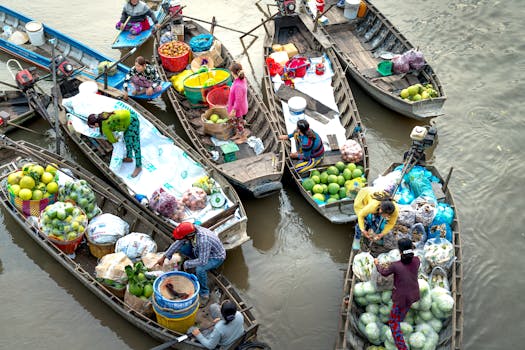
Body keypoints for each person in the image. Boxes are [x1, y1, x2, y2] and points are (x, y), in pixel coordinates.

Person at [156, 222, 226, 307]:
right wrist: (164, 257)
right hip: (200, 251)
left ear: (189, 236)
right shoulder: (191, 231)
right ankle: (193, 262)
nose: (182, 239)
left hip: (216, 257)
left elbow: (203, 261)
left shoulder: (203, 240)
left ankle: (204, 294)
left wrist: (187, 264)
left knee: (200, 269)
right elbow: (177, 243)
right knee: (182, 248)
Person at [374, 238, 420, 350]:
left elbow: (384, 273)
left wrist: (377, 264)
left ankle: (402, 347)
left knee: (393, 322)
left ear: (400, 252)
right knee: (405, 308)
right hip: (414, 294)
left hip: (401, 297)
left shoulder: (395, 265)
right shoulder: (417, 260)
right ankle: (401, 317)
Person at [87, 109, 142, 178]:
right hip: (127, 115)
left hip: (132, 122)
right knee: (128, 140)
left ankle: (138, 166)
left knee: (135, 143)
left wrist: (115, 138)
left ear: (96, 123)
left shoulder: (105, 127)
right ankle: (129, 157)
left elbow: (113, 140)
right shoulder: (103, 115)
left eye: (93, 127)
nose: (95, 128)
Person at [227, 62, 249, 142]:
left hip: (238, 109)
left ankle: (243, 137)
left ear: (233, 73)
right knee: (238, 122)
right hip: (241, 106)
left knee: (238, 124)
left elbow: (238, 100)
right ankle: (239, 134)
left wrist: (233, 110)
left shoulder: (238, 85)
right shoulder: (241, 79)